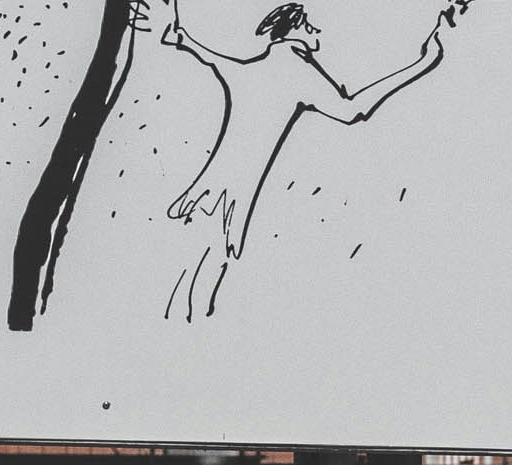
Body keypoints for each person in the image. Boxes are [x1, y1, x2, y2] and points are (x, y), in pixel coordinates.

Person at [158, 0, 462, 321]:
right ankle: (187, 328)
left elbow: (206, 55)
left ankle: (179, 325)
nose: (317, 31)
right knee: (211, 262)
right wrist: (424, 61)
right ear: (294, 32)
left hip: (215, 187)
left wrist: (180, 37)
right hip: (233, 195)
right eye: (309, 25)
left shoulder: (254, 68)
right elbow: (353, 111)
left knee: (196, 259)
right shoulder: (297, 72)